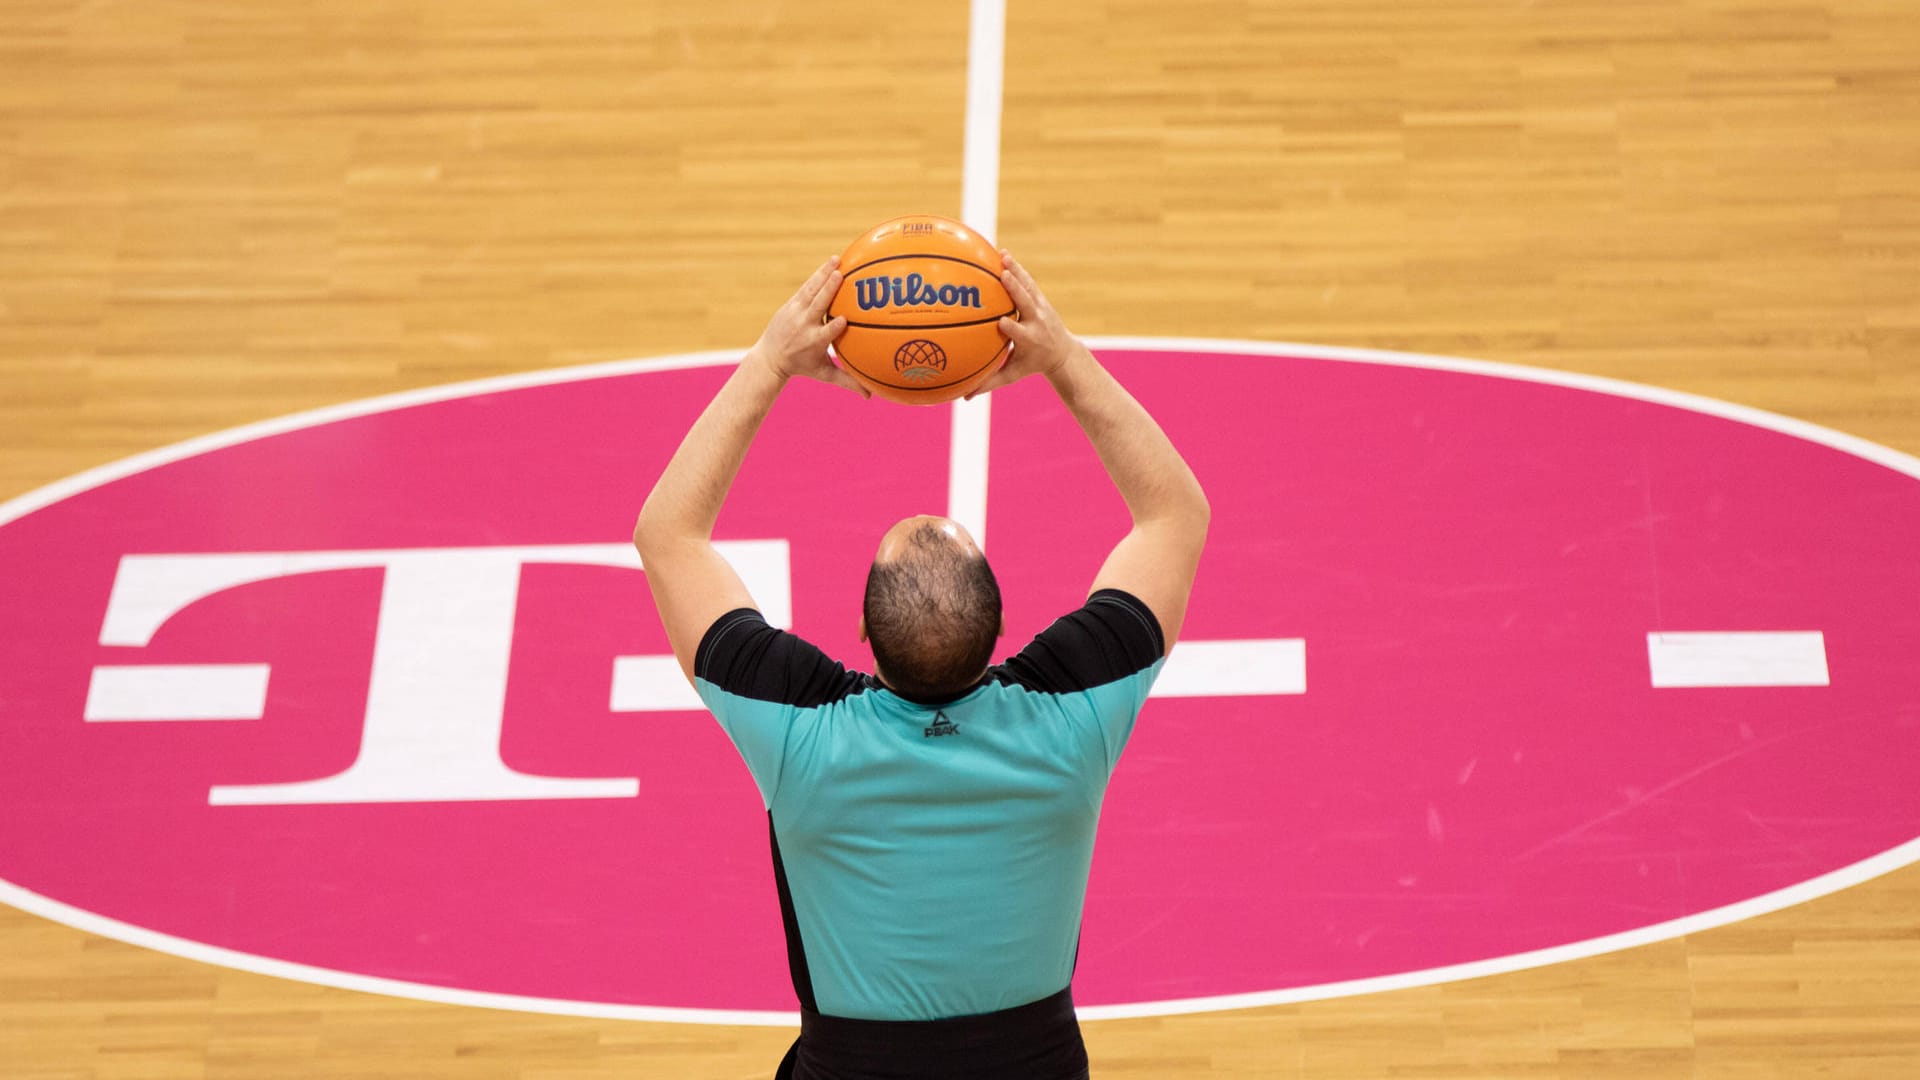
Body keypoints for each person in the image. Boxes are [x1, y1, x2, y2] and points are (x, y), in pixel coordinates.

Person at [633, 251, 1208, 1080]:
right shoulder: (1072, 717)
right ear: (1003, 626)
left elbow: (668, 537)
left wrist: (770, 362)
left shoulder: (801, 736)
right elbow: (1174, 516)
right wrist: (1062, 359)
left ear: (860, 634)